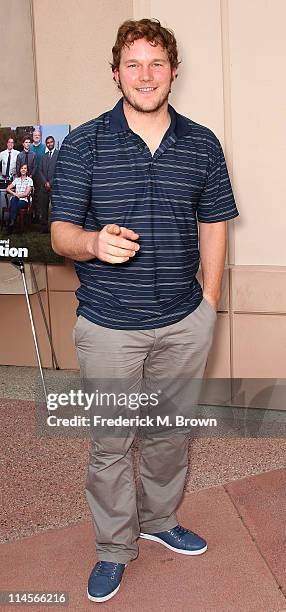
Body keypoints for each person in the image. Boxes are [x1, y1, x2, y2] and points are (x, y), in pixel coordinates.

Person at [51, 18, 239, 604]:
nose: (145, 75)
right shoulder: (84, 142)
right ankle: (113, 548)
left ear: (173, 72)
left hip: (184, 320)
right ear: (116, 74)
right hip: (109, 326)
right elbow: (59, 232)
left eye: (156, 63)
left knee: (168, 434)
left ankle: (159, 523)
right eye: (133, 64)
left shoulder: (202, 143)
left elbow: (215, 222)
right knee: (111, 443)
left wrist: (208, 301)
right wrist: (90, 244)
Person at [39, 136, 59, 232]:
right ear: (46, 144)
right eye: (48, 142)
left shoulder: (59, 154)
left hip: (54, 186)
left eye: (51, 142)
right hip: (44, 187)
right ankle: (43, 228)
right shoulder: (44, 156)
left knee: (55, 209)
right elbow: (40, 171)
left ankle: (55, 228)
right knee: (43, 208)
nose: (49, 144)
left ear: (54, 142)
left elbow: (59, 171)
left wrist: (50, 183)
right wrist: (45, 182)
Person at [5, 163, 33, 233]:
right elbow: (7, 188)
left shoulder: (29, 180)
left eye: (25, 168)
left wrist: (18, 195)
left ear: (27, 170)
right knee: (14, 200)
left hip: (24, 201)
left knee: (14, 202)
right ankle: (12, 223)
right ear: (20, 170)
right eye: (22, 168)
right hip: (16, 199)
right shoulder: (16, 179)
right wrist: (14, 194)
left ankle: (11, 223)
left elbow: (26, 193)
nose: (23, 170)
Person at [30, 129, 46, 220]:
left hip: (40, 175)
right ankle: (30, 214)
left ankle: (38, 215)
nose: (36, 136)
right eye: (35, 135)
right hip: (30, 175)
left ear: (40, 137)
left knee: (39, 195)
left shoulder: (44, 147)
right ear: (33, 136)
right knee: (30, 194)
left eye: (38, 135)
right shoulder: (30, 147)